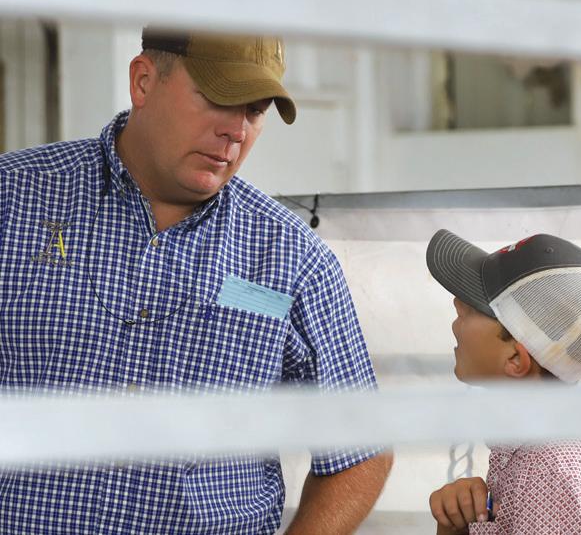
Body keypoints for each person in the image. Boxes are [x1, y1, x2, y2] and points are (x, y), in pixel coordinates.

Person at [0, 27, 391, 534]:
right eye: (219, 99)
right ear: (143, 81)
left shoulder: (292, 260)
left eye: (255, 111)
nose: (236, 131)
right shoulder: (14, 199)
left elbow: (361, 451)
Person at [425, 230, 581, 535]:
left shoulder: (552, 472)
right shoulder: (547, 446)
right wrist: (456, 527)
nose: (457, 304)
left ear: (516, 359)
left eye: (473, 307)